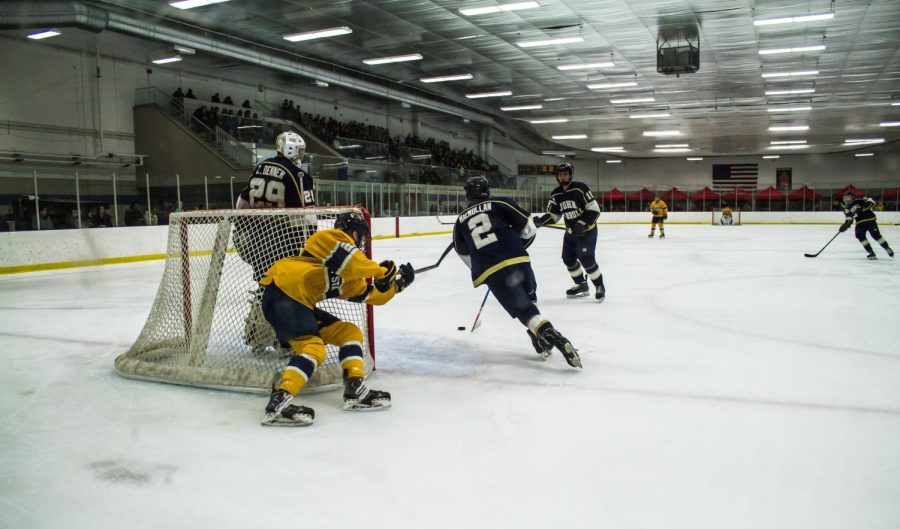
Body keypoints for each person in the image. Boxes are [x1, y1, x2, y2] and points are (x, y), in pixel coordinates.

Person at [259, 211, 415, 426]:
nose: (361, 242)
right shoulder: (326, 239)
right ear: (354, 233)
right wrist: (380, 272)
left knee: (349, 332)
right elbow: (351, 262)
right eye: (360, 237)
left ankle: (354, 388)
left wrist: (397, 285)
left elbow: (373, 297)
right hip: (283, 292)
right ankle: (279, 402)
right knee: (313, 349)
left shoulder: (349, 275)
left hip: (298, 303)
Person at [454, 176, 582, 368]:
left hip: (493, 271)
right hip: (519, 261)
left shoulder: (459, 222)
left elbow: (464, 254)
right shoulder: (500, 203)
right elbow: (529, 229)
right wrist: (516, 246)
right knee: (529, 298)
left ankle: (547, 333)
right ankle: (536, 335)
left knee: (525, 311)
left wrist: (486, 267)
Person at [535, 162, 605, 302]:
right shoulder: (556, 194)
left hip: (587, 232)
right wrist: (542, 220)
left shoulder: (580, 188)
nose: (563, 177)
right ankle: (581, 285)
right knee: (568, 259)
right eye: (560, 175)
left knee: (586, 258)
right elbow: (554, 215)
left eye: (565, 174)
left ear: (570, 175)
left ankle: (599, 286)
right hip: (571, 233)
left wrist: (582, 223)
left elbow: (594, 209)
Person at [840, 192, 894, 260]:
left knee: (876, 235)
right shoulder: (846, 208)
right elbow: (849, 217)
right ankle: (871, 252)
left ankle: (887, 248)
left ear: (853, 197)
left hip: (869, 219)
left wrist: (865, 206)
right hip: (860, 222)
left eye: (848, 197)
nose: (847, 199)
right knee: (859, 235)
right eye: (845, 197)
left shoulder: (859, 200)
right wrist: (846, 224)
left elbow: (871, 201)